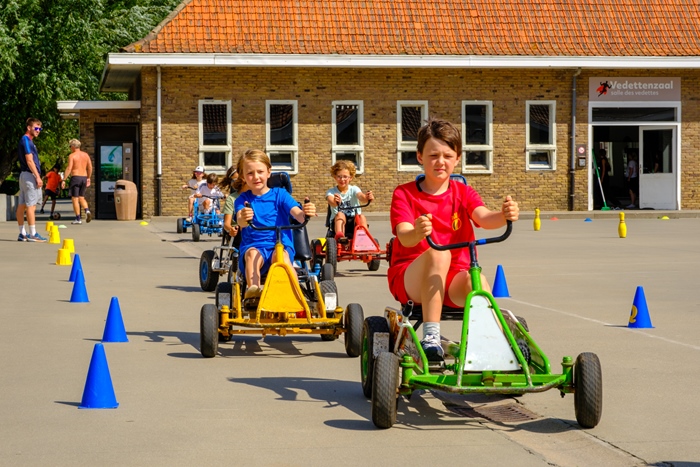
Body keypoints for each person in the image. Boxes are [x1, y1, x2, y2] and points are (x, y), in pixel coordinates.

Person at [388, 118, 519, 360]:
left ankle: (496, 347)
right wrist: (417, 232)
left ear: (457, 158)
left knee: (475, 280)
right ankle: (431, 336)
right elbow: (404, 236)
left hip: (452, 278)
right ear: (420, 157)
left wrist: (503, 215)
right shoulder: (404, 193)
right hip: (412, 277)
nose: (441, 162)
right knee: (439, 253)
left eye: (448, 156)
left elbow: (484, 217)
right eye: (433, 155)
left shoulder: (463, 192)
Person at [234, 149, 316, 299]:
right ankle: (254, 292)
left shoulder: (280, 194)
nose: (256, 177)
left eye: (260, 171)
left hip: (280, 245)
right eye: (250, 173)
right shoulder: (243, 199)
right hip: (253, 245)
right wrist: (244, 217)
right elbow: (240, 220)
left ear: (268, 172)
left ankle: (296, 295)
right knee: (252, 255)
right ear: (243, 177)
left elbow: (298, 215)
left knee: (281, 257)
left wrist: (306, 212)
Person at [325, 160, 374, 241]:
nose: (342, 179)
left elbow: (361, 197)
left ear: (350, 178)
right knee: (340, 214)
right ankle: (340, 237)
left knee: (361, 217)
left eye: (345, 176)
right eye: (339, 176)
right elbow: (331, 202)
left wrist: (367, 197)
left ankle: (364, 238)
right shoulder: (331, 192)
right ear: (334, 177)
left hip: (354, 221)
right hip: (337, 222)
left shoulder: (354, 189)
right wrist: (336, 201)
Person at [16, 118, 47, 242]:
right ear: (29, 127)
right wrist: (38, 177)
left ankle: (22, 233)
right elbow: (29, 160)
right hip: (29, 175)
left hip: (24, 175)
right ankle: (33, 233)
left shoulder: (27, 141)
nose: (38, 131)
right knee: (31, 205)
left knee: (22, 204)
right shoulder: (26, 140)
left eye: (40, 129)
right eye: (36, 128)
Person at [61, 139, 93, 224]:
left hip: (75, 177)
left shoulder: (72, 156)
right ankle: (87, 211)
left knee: (75, 198)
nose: (70, 148)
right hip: (84, 177)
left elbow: (69, 168)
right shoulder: (86, 155)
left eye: (70, 146)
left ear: (73, 146)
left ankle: (78, 219)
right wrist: (88, 177)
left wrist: (64, 179)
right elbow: (90, 167)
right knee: (81, 197)